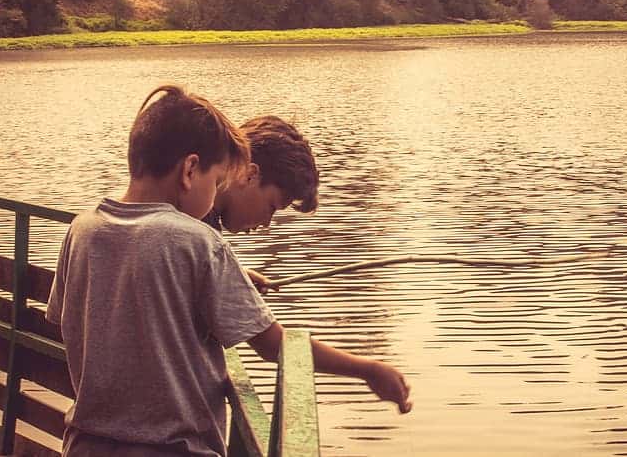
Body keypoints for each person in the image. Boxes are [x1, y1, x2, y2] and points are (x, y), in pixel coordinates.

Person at [46, 86, 411, 457]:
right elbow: (272, 345)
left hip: (85, 445)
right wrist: (367, 369)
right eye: (217, 177)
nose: (219, 186)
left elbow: (67, 320)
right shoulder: (200, 243)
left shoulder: (82, 228)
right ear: (190, 170)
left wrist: (213, 284)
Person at [202, 115, 319, 294]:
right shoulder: (200, 234)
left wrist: (229, 276)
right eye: (271, 207)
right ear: (249, 175)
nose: (266, 223)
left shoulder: (203, 220)